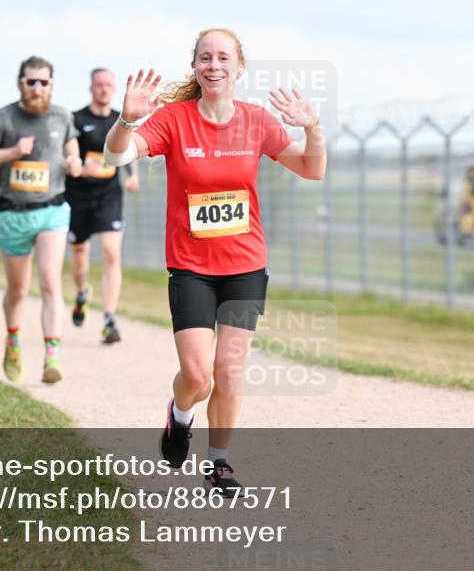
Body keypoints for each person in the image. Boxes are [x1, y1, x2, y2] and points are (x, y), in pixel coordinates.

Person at [103, 28, 326, 495]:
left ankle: (219, 462)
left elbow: (312, 168)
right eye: (205, 57)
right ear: (195, 67)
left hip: (245, 263)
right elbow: (113, 159)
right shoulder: (174, 120)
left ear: (238, 68)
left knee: (229, 369)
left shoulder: (257, 121)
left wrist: (312, 128)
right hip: (191, 267)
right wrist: (126, 121)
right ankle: (179, 415)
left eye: (223, 57)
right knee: (199, 376)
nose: (214, 64)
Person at [0, 56, 81, 385]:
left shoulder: (62, 116)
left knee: (49, 281)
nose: (37, 87)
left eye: (43, 82)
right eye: (30, 81)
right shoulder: (3, 118)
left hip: (52, 210)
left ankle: (52, 357)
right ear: (20, 83)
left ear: (51, 85)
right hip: (13, 213)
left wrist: (73, 160)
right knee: (18, 291)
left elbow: (70, 145)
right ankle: (14, 340)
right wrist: (12, 152)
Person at [65, 68, 140, 344]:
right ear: (91, 88)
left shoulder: (119, 119)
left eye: (109, 84)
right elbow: (70, 152)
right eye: (99, 85)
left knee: (111, 253)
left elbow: (126, 150)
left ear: (114, 88)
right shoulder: (76, 119)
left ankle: (109, 318)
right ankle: (82, 292)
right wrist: (77, 166)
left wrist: (132, 177)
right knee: (80, 253)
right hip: (79, 196)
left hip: (109, 194)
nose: (104, 89)